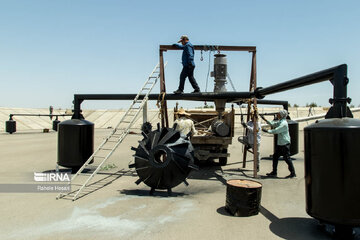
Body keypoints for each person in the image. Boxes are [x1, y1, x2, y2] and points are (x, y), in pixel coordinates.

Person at [260, 110, 296, 178]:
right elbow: (273, 124)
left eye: (278, 114)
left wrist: (267, 131)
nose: (277, 115)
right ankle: (274, 172)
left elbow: (276, 130)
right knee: (275, 157)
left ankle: (293, 173)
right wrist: (264, 119)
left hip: (284, 143)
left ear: (282, 115)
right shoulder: (280, 121)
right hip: (281, 143)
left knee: (287, 158)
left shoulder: (284, 123)